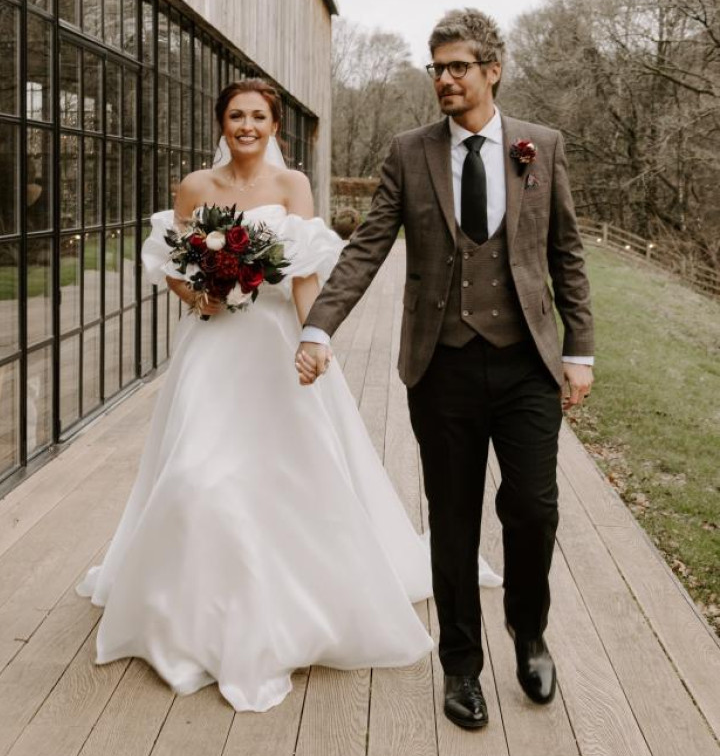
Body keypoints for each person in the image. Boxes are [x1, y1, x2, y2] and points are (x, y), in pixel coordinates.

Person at [76, 78, 501, 712]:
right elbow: (172, 264)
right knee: (196, 473)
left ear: (275, 126)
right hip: (213, 347)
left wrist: (315, 336)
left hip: (275, 344)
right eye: (235, 116)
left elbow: (304, 270)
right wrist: (202, 296)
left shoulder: (292, 187)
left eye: (258, 116)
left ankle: (292, 604)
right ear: (221, 123)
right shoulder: (195, 187)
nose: (246, 126)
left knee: (289, 472)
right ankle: (192, 612)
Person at [296, 8, 594, 731]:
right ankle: (461, 666)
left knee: (533, 508)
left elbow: (567, 253)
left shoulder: (540, 147)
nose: (445, 79)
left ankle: (529, 630)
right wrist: (317, 324)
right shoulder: (408, 151)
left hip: (527, 363)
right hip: (443, 365)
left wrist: (579, 350)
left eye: (459, 66)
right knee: (453, 521)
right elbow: (366, 246)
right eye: (436, 67)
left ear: (493, 69)